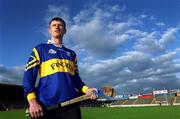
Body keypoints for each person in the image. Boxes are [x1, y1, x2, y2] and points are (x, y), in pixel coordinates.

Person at [23, 17, 97, 119]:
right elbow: (28, 77)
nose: (57, 27)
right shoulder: (40, 49)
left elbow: (76, 79)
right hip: (46, 106)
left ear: (65, 30)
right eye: (54, 25)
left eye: (60, 25)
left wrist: (87, 90)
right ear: (49, 30)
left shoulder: (72, 54)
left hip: (71, 107)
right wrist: (32, 101)